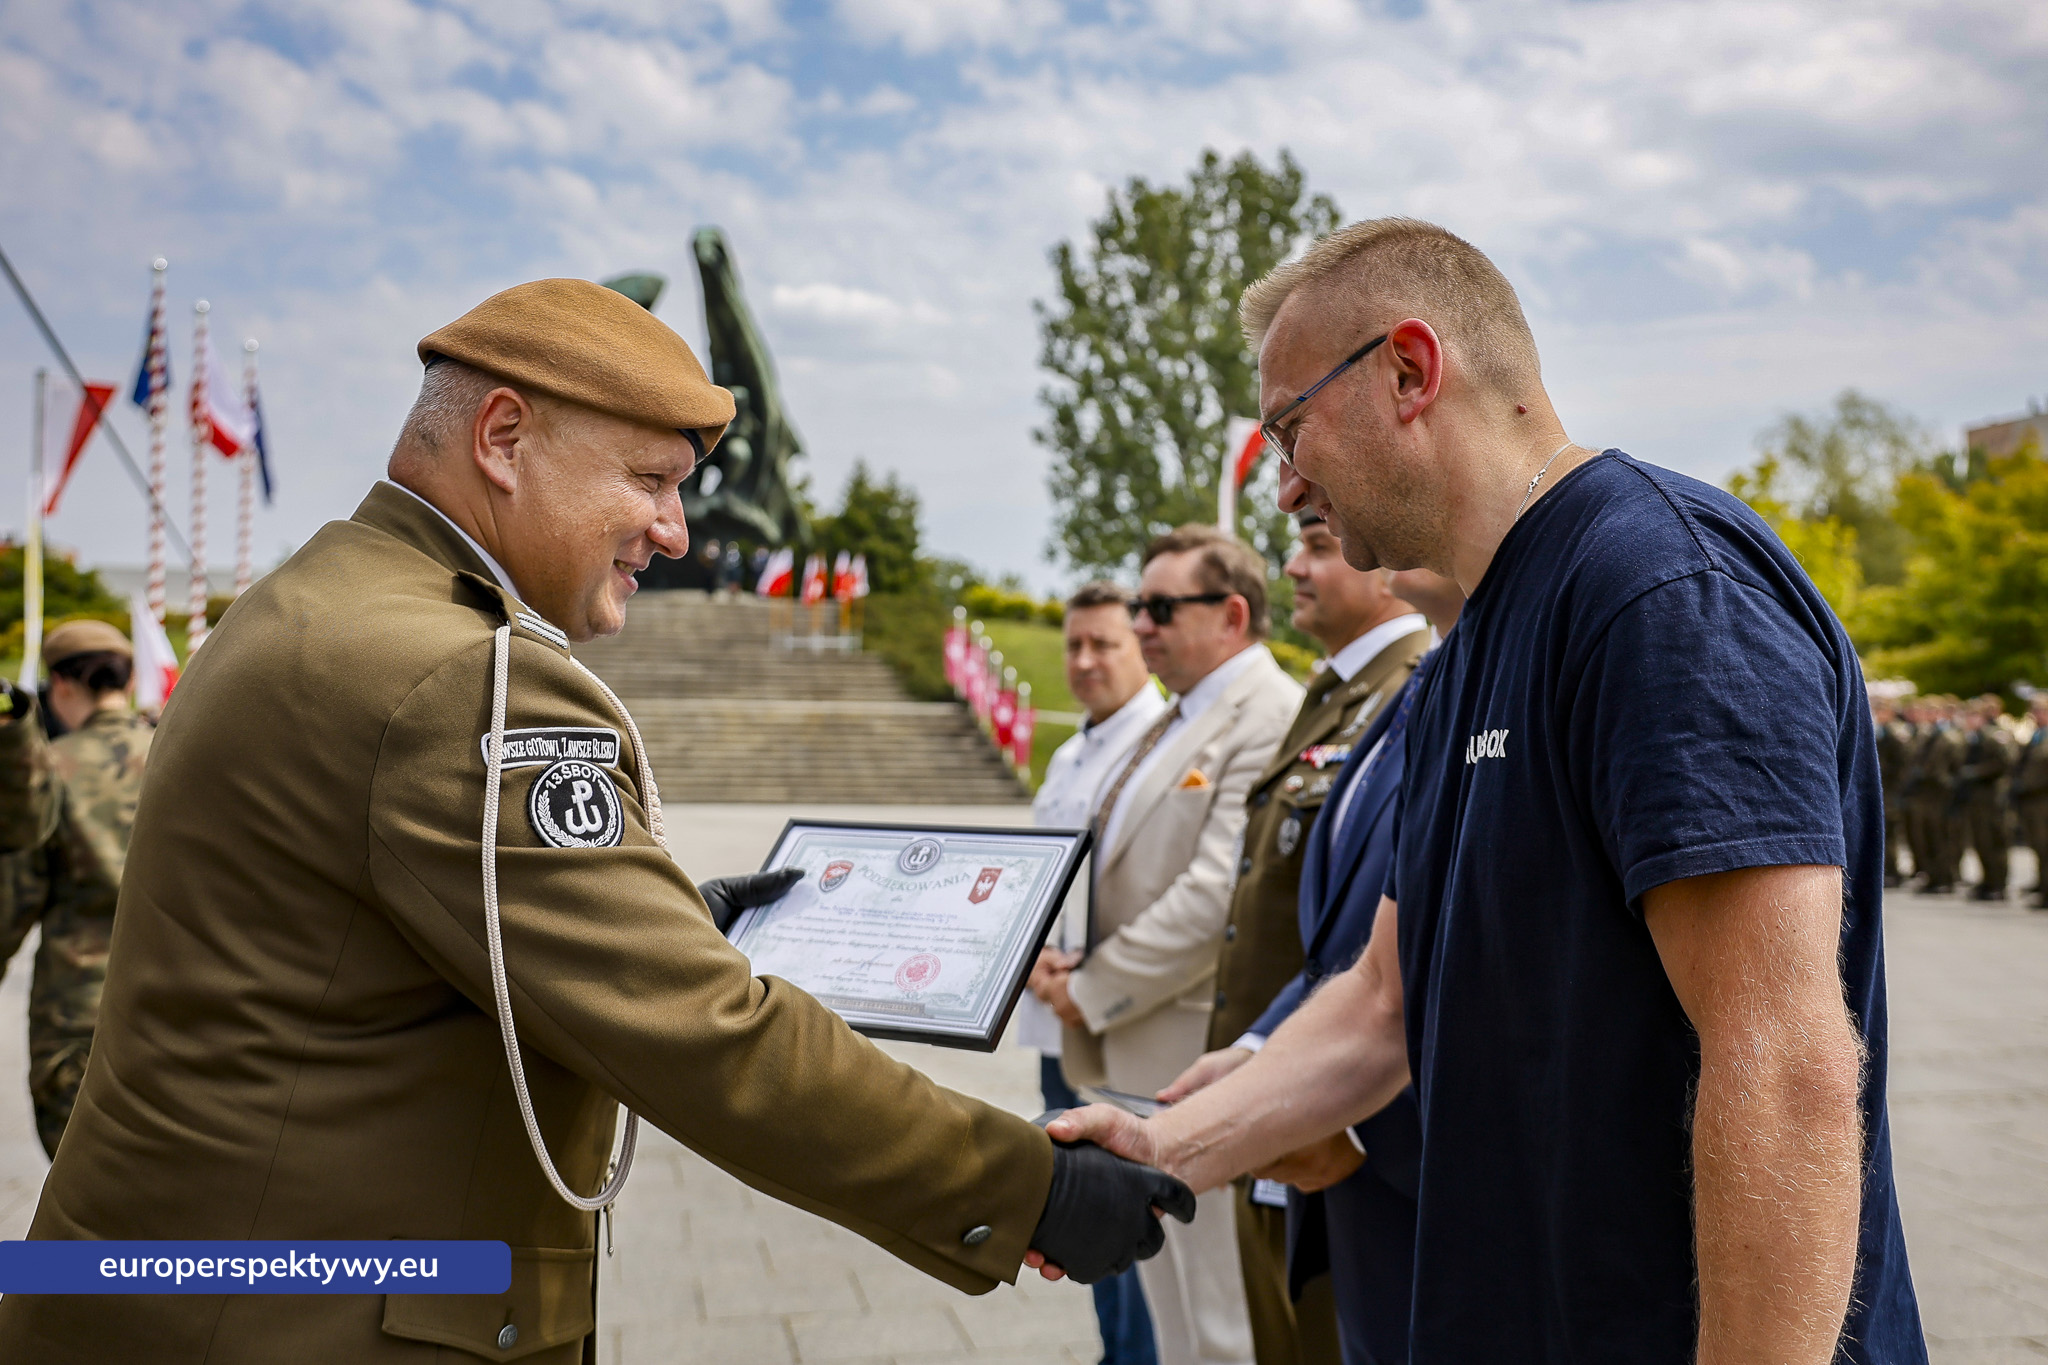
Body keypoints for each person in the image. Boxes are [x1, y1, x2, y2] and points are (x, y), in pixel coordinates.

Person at [0, 280, 1190, 1362]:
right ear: (504, 438)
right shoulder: (462, 674)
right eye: (650, 482)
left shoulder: (315, 603)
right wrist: (1022, 1185)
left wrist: (650, 912)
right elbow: (703, 1037)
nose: (674, 532)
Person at [1050, 216, 1926, 1364]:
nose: (1284, 486)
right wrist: (1169, 1144)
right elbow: (1380, 1006)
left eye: (1290, 427)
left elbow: (1783, 1065)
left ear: (1408, 370)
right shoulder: (1465, 652)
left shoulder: (1655, 592)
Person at [1173, 564, 1462, 1365]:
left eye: (1319, 538)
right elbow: (1348, 942)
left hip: (1404, 1154)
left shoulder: (1457, 679)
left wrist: (1363, 1127)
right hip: (1319, 1104)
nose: (1298, 557)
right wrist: (1256, 1052)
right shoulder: (1421, 686)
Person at [1031, 523, 1303, 1365]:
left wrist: (1095, 985)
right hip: (1139, 1055)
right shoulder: (1183, 712)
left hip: (1195, 1052)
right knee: (1174, 1311)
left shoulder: (1263, 711)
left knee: (1222, 1318)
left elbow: (1217, 893)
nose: (1140, 622)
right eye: (1138, 604)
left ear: (1230, 614)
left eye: (1157, 606)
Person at [1023, 579, 1167, 1365]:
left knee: (1130, 1222)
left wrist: (1078, 979)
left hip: (1117, 1025)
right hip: (1054, 1024)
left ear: (1140, 646)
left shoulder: (1164, 747)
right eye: (1073, 644)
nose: (1083, 661)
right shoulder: (1070, 750)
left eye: (1102, 644)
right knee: (1084, 1218)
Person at [0, 620, 154, 1157]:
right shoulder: (182, 760)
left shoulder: (52, 772)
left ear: (61, 685)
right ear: (128, 681)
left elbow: (14, 902)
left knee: (85, 1187)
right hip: (184, 1008)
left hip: (79, 1016)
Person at [1955, 696, 2016, 901]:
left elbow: (2004, 762)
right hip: (1978, 797)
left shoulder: (1994, 735)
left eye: (1972, 715)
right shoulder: (1976, 736)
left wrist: (1977, 772)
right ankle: (1988, 880)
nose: (1968, 720)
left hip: (1993, 797)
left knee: (1994, 841)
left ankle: (1998, 883)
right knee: (1981, 841)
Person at [1903, 697, 1964, 892]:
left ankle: (1944, 878)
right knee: (1927, 837)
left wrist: (1948, 785)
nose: (1927, 716)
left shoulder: (1949, 737)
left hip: (1941, 795)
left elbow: (1956, 767)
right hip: (1926, 794)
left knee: (1942, 839)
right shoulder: (1928, 735)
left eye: (1931, 712)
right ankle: (1932, 876)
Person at [1873, 695, 1912, 888]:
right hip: (1886, 788)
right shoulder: (1883, 731)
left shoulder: (1895, 733)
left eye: (1881, 710)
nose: (1878, 715)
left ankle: (1894, 871)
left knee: (1891, 832)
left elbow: (1903, 765)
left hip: (1893, 788)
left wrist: (1901, 791)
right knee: (1885, 831)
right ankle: (1888, 869)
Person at [2013, 695, 2048, 910]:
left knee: (2045, 847)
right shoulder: (2037, 736)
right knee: (2038, 846)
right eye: (2034, 711)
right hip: (2032, 800)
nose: (2036, 715)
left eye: (2041, 711)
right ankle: (2042, 886)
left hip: (2043, 799)